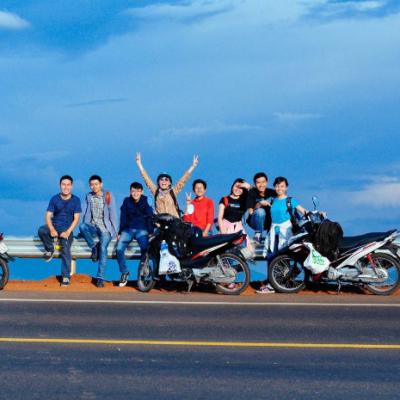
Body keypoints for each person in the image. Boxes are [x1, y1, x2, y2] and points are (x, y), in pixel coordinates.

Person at [257, 176, 308, 294]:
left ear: (286, 187)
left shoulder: (290, 201)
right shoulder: (272, 200)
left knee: (284, 256)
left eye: (282, 186)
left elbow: (304, 211)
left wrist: (318, 213)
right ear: (274, 187)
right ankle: (273, 283)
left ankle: (278, 282)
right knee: (272, 256)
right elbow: (257, 208)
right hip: (273, 232)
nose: (279, 188)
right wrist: (260, 203)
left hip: (286, 232)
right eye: (277, 186)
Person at [38, 175, 81, 287]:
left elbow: (76, 219)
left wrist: (68, 232)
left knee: (65, 249)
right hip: (55, 226)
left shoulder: (76, 200)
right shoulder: (54, 199)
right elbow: (47, 216)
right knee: (42, 230)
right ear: (60, 185)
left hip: (67, 229)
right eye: (63, 184)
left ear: (71, 186)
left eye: (68, 185)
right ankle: (50, 249)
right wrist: (52, 229)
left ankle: (65, 276)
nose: (66, 187)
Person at [79, 175, 118, 288]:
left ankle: (100, 278)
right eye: (92, 185)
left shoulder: (108, 195)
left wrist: (116, 232)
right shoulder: (89, 196)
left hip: (106, 229)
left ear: (101, 184)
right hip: (93, 226)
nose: (94, 186)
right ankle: (93, 246)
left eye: (96, 184)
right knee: (82, 226)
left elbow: (113, 215)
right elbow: (86, 214)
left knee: (103, 248)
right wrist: (84, 232)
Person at [135, 152, 198, 218]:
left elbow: (183, 180)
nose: (164, 181)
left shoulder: (173, 191)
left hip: (174, 222)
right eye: (161, 179)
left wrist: (193, 166)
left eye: (166, 179)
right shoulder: (156, 192)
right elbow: (147, 179)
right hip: (160, 222)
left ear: (170, 183)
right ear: (158, 182)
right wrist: (139, 164)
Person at [116, 182, 154, 287]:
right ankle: (124, 272)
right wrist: (120, 232)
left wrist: (151, 231)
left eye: (138, 191)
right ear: (130, 191)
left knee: (145, 249)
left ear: (142, 192)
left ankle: (142, 274)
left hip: (142, 230)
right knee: (119, 249)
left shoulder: (146, 200)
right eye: (133, 191)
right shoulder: (126, 201)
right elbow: (123, 217)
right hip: (128, 229)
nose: (135, 193)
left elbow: (150, 217)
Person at [246, 172, 276, 243]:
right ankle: (258, 234)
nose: (261, 185)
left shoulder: (272, 192)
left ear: (267, 182)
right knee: (260, 211)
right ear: (255, 184)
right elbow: (250, 212)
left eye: (263, 182)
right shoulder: (252, 192)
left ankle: (271, 234)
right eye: (258, 182)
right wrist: (260, 204)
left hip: (270, 221)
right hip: (255, 221)